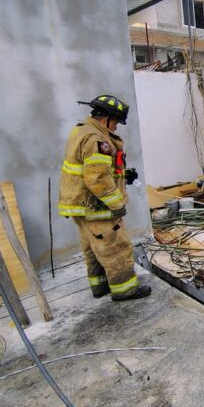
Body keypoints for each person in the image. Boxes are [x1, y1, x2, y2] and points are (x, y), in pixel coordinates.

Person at [58, 95, 150, 301]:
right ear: (106, 118)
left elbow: (94, 170)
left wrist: (124, 175)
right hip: (96, 207)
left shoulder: (81, 130)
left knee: (92, 247)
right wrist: (117, 204)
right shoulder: (97, 139)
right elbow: (97, 179)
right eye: (116, 121)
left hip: (80, 205)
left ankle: (100, 286)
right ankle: (125, 289)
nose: (116, 127)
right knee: (115, 247)